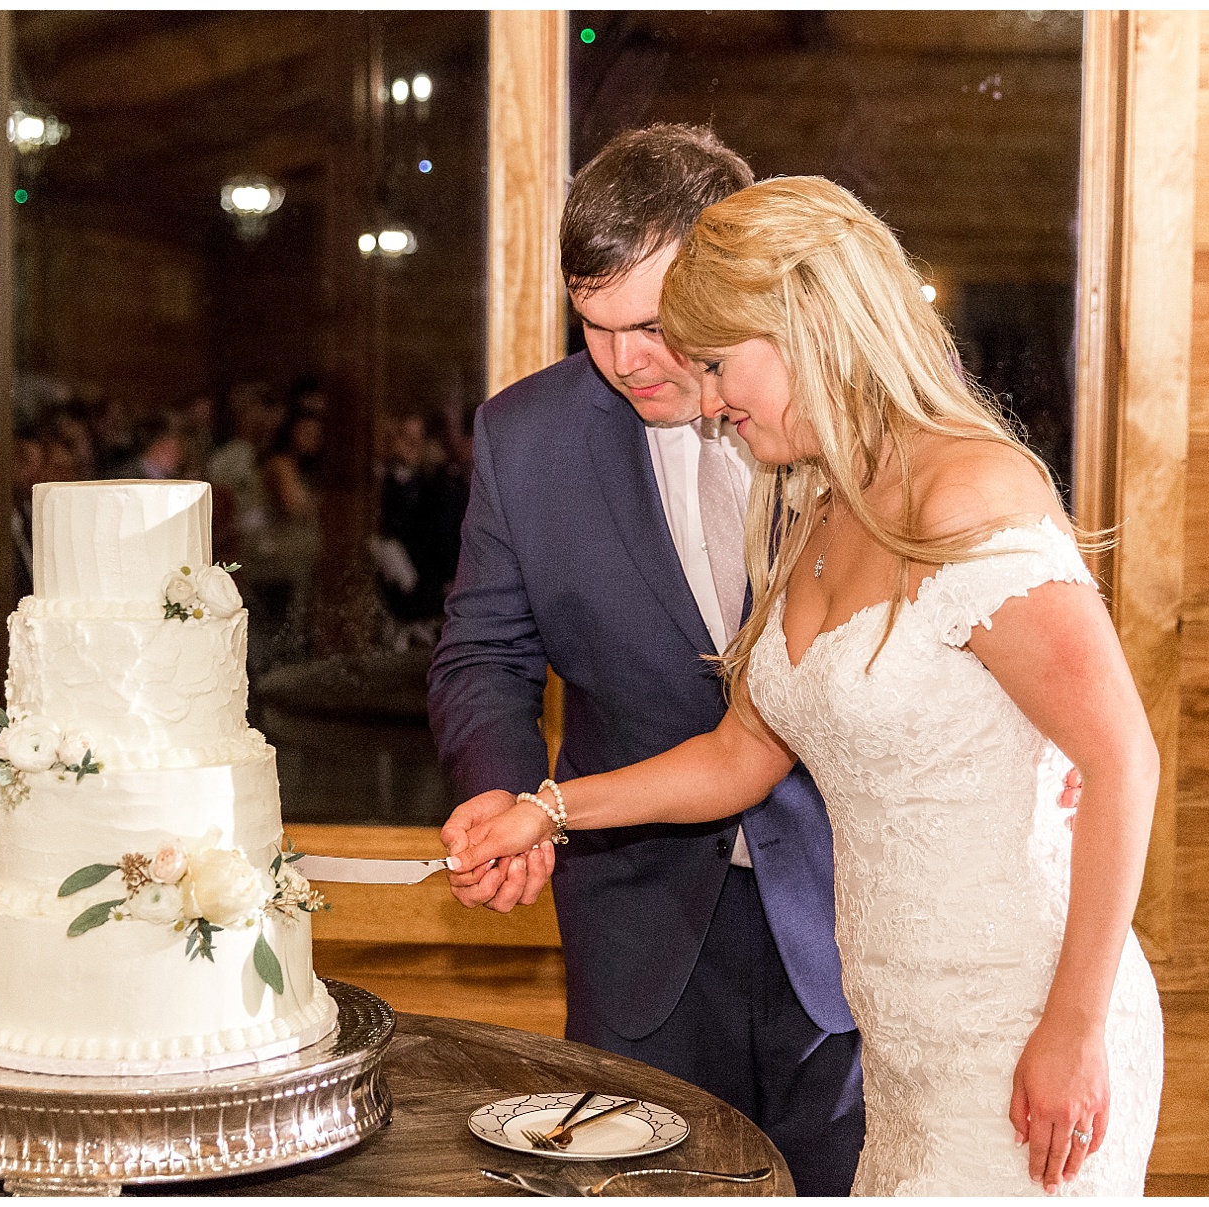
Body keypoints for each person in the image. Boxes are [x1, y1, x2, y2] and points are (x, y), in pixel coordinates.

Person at [441, 177, 1165, 1196]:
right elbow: (742, 753)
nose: (703, 392)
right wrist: (547, 809)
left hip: (1017, 1017)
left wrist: (1074, 1026)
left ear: (808, 327)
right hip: (907, 1042)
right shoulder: (821, 502)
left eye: (717, 361)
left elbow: (1123, 757)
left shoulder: (972, 489)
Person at [426, 125, 866, 1195]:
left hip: (856, 906)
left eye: (653, 325)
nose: (625, 360)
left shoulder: (851, 418)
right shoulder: (526, 437)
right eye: (594, 326)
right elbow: (482, 651)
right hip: (640, 922)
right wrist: (506, 800)